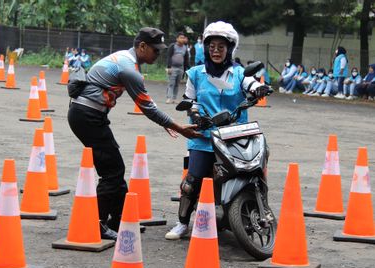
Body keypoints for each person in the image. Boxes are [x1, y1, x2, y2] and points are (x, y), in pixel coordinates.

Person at [67, 27, 202, 241]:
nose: (158, 55)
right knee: (112, 172)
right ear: (142, 46)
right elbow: (148, 108)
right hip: (87, 116)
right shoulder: (128, 69)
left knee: (114, 168)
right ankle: (97, 224)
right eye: (155, 51)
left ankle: (120, 221)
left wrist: (168, 124)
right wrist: (179, 128)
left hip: (89, 114)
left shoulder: (126, 59)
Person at [164, 21, 270, 240]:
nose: (216, 51)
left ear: (229, 49)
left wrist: (258, 88)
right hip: (204, 136)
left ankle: (253, 211)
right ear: (206, 48)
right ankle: (183, 222)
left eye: (221, 47)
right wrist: (194, 114)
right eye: (212, 46)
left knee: (252, 169)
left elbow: (250, 84)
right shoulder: (195, 73)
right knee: (192, 181)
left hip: (235, 135)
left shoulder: (239, 73)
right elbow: (189, 99)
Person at [166, 32, 189, 104]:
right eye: (180, 37)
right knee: (171, 83)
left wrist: (185, 70)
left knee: (177, 84)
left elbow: (186, 59)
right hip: (173, 68)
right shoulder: (173, 46)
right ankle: (169, 98)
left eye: (183, 38)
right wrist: (169, 67)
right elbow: (169, 57)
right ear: (177, 39)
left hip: (181, 68)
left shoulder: (185, 48)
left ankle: (174, 98)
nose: (182, 39)